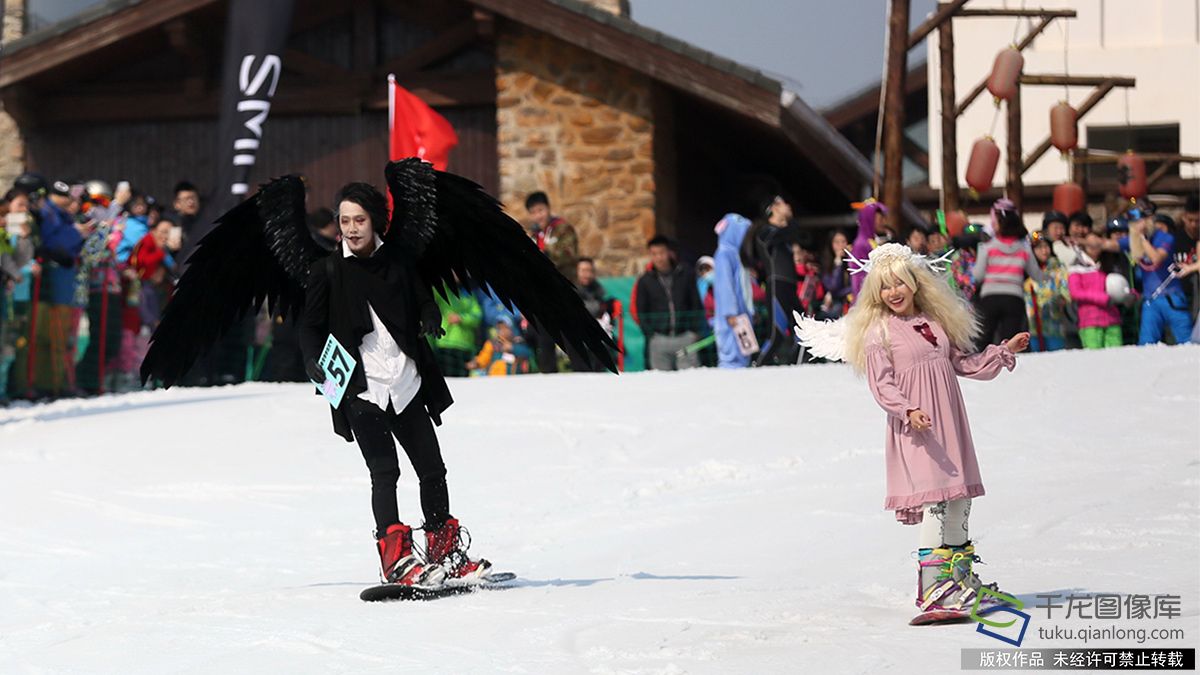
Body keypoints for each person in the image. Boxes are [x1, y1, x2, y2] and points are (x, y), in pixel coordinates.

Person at [805, 242, 1027, 617]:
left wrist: (1002, 351)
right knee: (935, 502)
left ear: (914, 283)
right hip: (917, 427)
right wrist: (908, 410)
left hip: (949, 422)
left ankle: (960, 582)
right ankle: (933, 588)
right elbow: (882, 385)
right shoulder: (879, 334)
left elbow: (964, 363)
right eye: (885, 287)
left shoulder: (935, 323)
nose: (893, 293)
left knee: (958, 499)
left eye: (899, 284)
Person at [300, 182, 490, 588]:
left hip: (405, 381)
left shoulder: (398, 262)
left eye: (359, 220)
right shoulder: (327, 270)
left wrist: (429, 316)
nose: (351, 228)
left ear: (374, 221)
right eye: (345, 221)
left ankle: (445, 556)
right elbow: (310, 328)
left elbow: (423, 299)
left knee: (432, 470)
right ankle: (397, 562)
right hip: (360, 388)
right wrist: (313, 363)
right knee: (384, 472)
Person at [1105, 202, 1194, 345]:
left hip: (1172, 297)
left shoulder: (1165, 238)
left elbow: (1156, 258)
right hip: (1150, 299)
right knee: (1147, 343)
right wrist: (1084, 241)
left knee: (1186, 341)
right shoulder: (1134, 241)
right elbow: (1109, 244)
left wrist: (1141, 238)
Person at [743, 195, 806, 365]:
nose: (788, 205)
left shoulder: (779, 233)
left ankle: (797, 367)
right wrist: (790, 219)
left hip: (788, 286)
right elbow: (788, 232)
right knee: (776, 335)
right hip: (777, 286)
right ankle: (758, 366)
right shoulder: (765, 232)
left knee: (805, 329)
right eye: (784, 203)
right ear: (775, 208)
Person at [973, 199, 1041, 350]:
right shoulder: (1024, 249)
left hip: (989, 298)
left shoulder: (987, 248)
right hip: (1013, 298)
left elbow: (977, 275)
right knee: (1011, 343)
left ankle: (982, 368)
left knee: (984, 341)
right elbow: (1036, 275)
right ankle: (1009, 371)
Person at [524, 191, 578, 372]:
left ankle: (584, 376)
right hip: (541, 294)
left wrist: (544, 253)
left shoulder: (562, 229)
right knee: (544, 340)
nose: (538, 215)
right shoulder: (532, 235)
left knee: (571, 338)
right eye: (533, 212)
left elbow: (568, 254)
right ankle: (547, 380)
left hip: (563, 292)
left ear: (548, 209)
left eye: (541, 210)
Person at [634, 235, 705, 371]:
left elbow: (695, 303)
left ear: (669, 253)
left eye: (661, 253)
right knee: (662, 385)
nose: (659, 258)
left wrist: (694, 331)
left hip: (685, 336)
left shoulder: (685, 274)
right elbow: (641, 311)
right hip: (659, 339)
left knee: (690, 380)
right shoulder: (645, 281)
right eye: (654, 254)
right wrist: (650, 335)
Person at [1068, 232, 1125, 350]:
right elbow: (1075, 292)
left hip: (1112, 319)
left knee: (1117, 359)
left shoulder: (1110, 262)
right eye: (1090, 243)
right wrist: (1103, 298)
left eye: (1097, 242)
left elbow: (1122, 283)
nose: (1094, 246)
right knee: (1095, 360)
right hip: (1090, 321)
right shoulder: (1076, 266)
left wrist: (1128, 295)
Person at [712, 214, 754, 369]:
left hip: (741, 315)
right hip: (733, 318)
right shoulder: (724, 255)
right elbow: (725, 286)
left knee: (743, 352)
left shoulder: (737, 255)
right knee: (732, 353)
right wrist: (730, 312)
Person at [1023, 234, 1071, 352]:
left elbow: (1066, 292)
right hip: (1033, 328)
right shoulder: (1026, 271)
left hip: (1055, 326)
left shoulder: (1058, 269)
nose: (1044, 251)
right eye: (1039, 248)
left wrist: (1059, 300)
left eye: (1046, 247)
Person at [569, 257, 613, 372]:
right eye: (583, 270)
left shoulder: (600, 290)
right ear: (577, 272)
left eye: (589, 270)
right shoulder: (571, 289)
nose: (586, 274)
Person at [849, 199, 891, 303]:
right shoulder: (861, 244)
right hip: (867, 299)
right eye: (880, 219)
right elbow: (858, 279)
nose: (884, 222)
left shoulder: (871, 242)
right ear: (869, 220)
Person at [819, 228, 853, 319]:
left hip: (852, 303)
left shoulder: (852, 260)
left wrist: (852, 255)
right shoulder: (827, 263)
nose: (841, 246)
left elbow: (857, 284)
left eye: (843, 242)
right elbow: (833, 286)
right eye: (837, 242)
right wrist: (838, 263)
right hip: (836, 305)